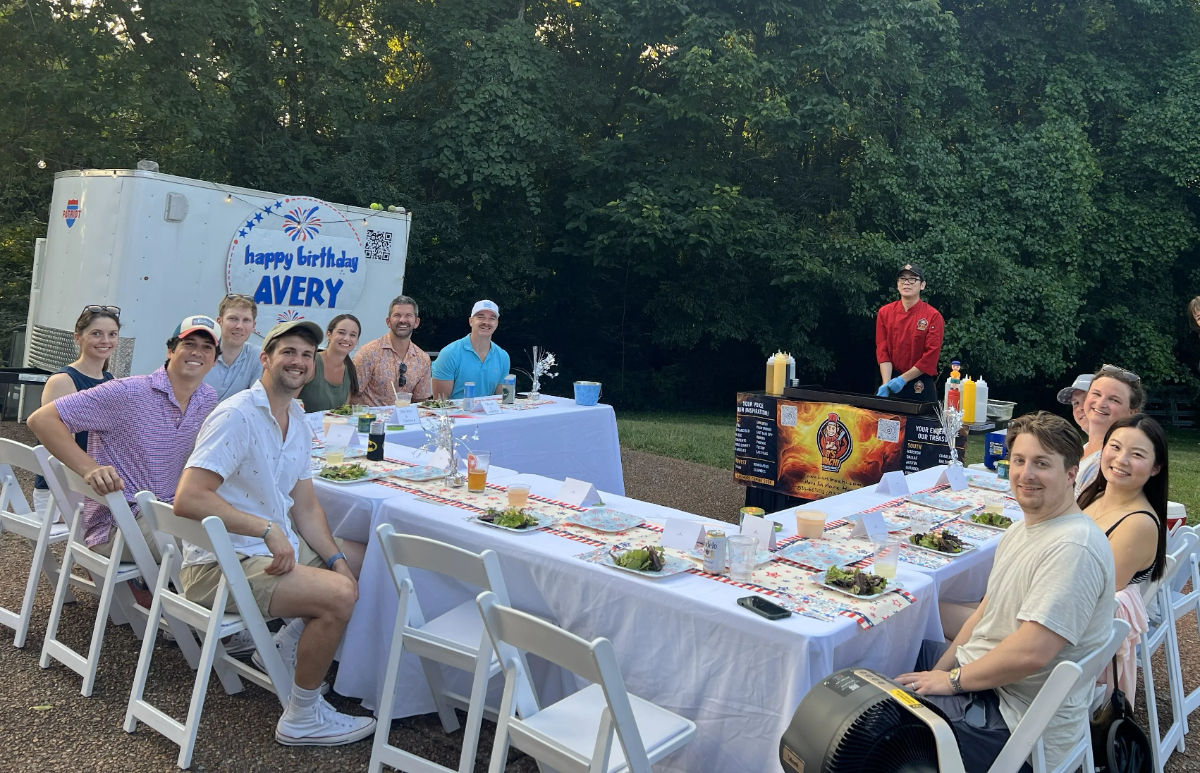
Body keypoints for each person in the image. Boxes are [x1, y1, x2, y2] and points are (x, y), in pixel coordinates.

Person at [174, 319, 375, 747]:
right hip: (217, 565)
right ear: (265, 359)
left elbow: (306, 508)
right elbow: (188, 498)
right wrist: (265, 529)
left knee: (363, 561)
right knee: (340, 596)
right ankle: (302, 714)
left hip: (259, 552)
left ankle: (285, 649)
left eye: (306, 354)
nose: (298, 362)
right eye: (288, 352)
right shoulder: (238, 415)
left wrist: (339, 562)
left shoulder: (296, 419)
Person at [897, 411, 1115, 772]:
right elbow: (984, 614)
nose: (1025, 474)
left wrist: (951, 682)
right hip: (987, 684)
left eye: (1041, 464)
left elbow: (1032, 653)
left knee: (871, 726)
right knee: (895, 654)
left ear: (1071, 473)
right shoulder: (1023, 529)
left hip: (1015, 722)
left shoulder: (1073, 547)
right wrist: (940, 670)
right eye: (1019, 461)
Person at [27, 314, 221, 560]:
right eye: (189, 344)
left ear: (215, 360)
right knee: (212, 552)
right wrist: (89, 469)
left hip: (174, 513)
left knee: (241, 538)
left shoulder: (207, 399)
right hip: (119, 524)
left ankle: (167, 592)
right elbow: (41, 420)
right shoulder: (129, 392)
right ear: (171, 350)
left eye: (207, 347)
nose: (197, 353)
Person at [31, 305, 119, 520]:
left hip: (93, 484)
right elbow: (59, 447)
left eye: (112, 334)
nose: (105, 340)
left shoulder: (112, 381)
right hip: (62, 487)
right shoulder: (63, 381)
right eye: (96, 333)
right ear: (78, 338)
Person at [1078, 414, 1167, 591]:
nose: (1121, 460)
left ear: (1155, 467)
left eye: (1137, 454)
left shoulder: (1138, 525)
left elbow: (1097, 593)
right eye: (1115, 447)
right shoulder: (1094, 495)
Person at [875, 263, 944, 401]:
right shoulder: (885, 312)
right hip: (892, 381)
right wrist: (886, 383)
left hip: (920, 383)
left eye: (912, 279)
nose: (907, 283)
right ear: (897, 284)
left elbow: (930, 357)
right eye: (902, 279)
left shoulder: (933, 316)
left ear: (922, 285)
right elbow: (883, 351)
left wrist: (902, 379)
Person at [1076, 364, 1145, 496]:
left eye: (1114, 399)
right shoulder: (1082, 449)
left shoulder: (1116, 462)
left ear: (1132, 412)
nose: (1101, 403)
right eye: (1096, 394)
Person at [352, 295, 432, 405]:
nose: (403, 320)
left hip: (405, 421)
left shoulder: (423, 359)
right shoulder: (368, 353)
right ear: (388, 321)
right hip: (369, 420)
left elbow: (420, 402)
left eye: (408, 315)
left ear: (416, 322)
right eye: (397, 315)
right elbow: (351, 394)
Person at [432, 299, 511, 398]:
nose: (486, 322)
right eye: (480, 317)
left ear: (497, 323)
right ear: (471, 321)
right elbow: (440, 402)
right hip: (456, 413)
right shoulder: (449, 353)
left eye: (492, 318)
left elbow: (504, 399)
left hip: (490, 413)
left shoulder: (503, 356)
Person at [204, 293, 263, 402]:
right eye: (233, 319)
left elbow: (257, 400)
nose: (239, 326)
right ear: (219, 321)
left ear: (253, 326)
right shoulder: (202, 352)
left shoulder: (258, 356)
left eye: (246, 320)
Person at [298, 314, 361, 413]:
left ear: (357, 340)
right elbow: (288, 401)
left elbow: (344, 410)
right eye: (341, 333)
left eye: (352, 335)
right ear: (329, 334)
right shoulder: (312, 363)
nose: (346, 338)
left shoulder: (350, 369)